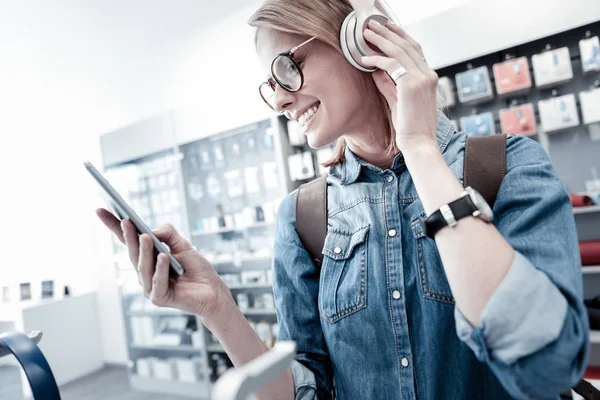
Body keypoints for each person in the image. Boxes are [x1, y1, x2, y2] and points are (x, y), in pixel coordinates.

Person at [97, 0, 590, 399]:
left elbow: (548, 364)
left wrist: (419, 147)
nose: (283, 99)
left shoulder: (510, 166)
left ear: (362, 43)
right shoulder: (302, 217)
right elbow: (304, 390)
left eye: (286, 68)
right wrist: (218, 308)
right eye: (271, 88)